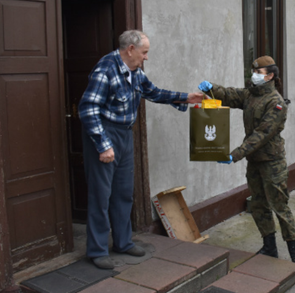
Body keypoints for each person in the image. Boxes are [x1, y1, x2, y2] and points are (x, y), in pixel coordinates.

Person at [79, 30, 203, 269]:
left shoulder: (135, 72)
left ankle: (123, 243)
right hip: (105, 134)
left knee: (124, 192)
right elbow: (88, 109)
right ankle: (97, 251)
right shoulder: (105, 69)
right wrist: (103, 145)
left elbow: (154, 93)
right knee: (101, 196)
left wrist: (186, 98)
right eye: (145, 52)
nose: (146, 57)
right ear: (130, 50)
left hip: (125, 135)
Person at [197, 56, 295, 271]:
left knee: (280, 206)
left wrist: (234, 154)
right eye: (253, 71)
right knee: (258, 204)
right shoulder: (250, 95)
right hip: (254, 161)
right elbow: (229, 95)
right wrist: (212, 89)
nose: (254, 75)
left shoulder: (276, 103)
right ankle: (269, 246)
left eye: (258, 72)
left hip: (272, 161)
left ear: (270, 75)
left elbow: (262, 134)